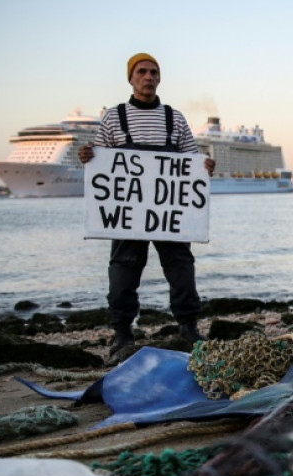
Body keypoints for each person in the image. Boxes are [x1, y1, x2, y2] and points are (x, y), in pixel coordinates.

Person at [78, 53, 216, 353]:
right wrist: (88, 157)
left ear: (159, 78)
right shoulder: (114, 117)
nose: (148, 77)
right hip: (129, 211)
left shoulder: (174, 117)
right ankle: (122, 333)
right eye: (141, 72)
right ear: (131, 78)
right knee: (123, 270)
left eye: (154, 72)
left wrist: (204, 168)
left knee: (181, 267)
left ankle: (188, 327)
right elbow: (102, 163)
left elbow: (191, 160)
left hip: (169, 211)